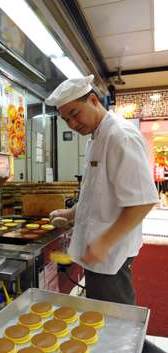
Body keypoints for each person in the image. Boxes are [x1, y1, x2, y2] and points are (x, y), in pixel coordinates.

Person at [46, 75, 158, 305]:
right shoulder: (96, 138)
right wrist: (71, 213)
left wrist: (105, 241)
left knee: (116, 321)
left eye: (75, 114)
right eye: (66, 119)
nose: (72, 124)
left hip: (111, 253)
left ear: (94, 100)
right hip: (99, 251)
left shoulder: (120, 136)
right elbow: (95, 194)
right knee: (100, 315)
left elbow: (143, 201)